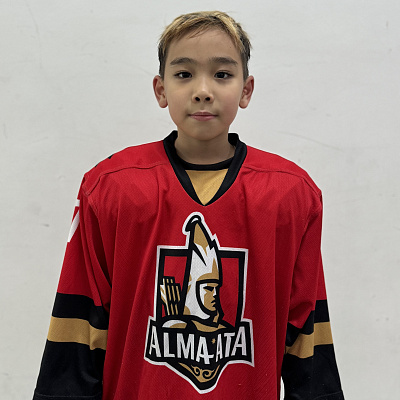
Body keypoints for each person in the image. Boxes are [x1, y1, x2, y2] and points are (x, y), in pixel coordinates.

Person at [33, 11, 344, 400]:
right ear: (160, 89)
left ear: (246, 90)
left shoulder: (291, 194)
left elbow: (306, 333)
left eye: (222, 74)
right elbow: (79, 327)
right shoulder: (110, 187)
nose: (203, 90)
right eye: (184, 74)